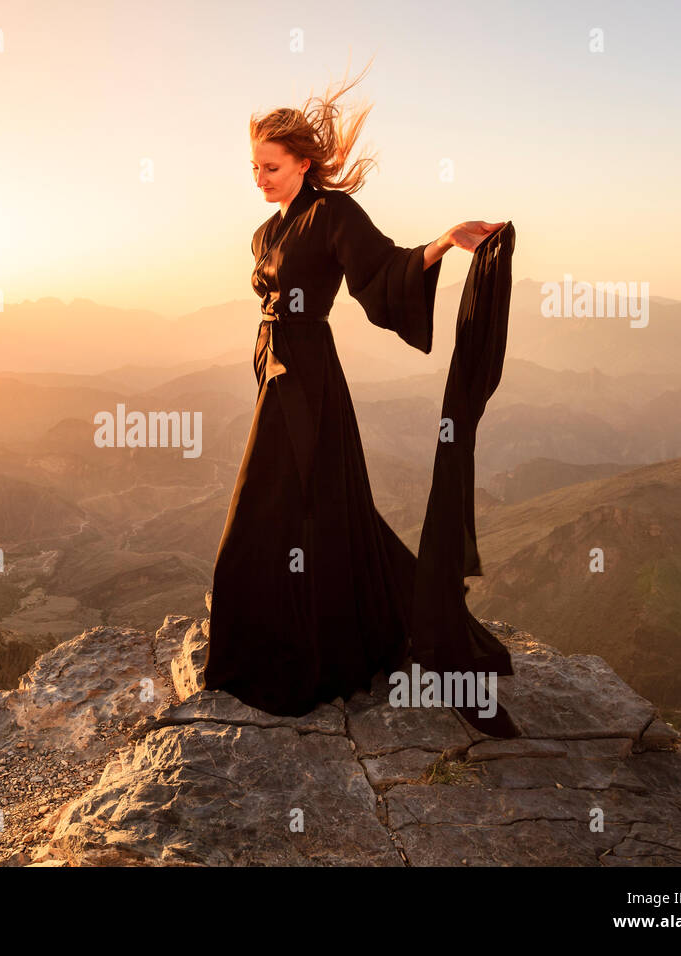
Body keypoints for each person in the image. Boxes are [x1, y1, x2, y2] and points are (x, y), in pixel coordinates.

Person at [202, 65, 520, 738]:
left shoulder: (331, 214)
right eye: (252, 166)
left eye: (269, 165)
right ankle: (303, 638)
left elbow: (379, 274)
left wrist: (442, 243)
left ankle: (311, 656)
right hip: (276, 378)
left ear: (303, 162)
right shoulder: (267, 234)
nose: (257, 177)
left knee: (272, 517)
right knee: (301, 514)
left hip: (311, 382)